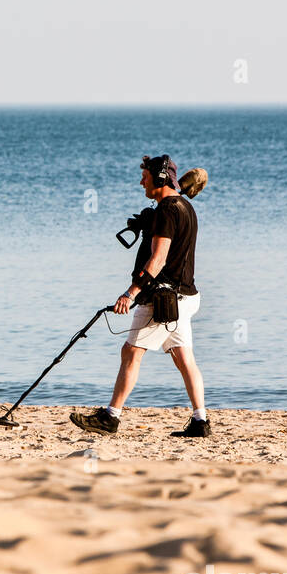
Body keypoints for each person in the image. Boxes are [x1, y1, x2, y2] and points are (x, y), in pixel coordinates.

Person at [69, 154, 209, 437]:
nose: (140, 182)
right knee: (184, 358)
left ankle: (111, 417)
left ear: (158, 178)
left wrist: (130, 293)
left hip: (164, 300)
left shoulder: (167, 211)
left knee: (131, 352)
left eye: (144, 177)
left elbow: (157, 261)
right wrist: (150, 223)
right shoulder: (182, 207)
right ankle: (199, 421)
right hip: (186, 297)